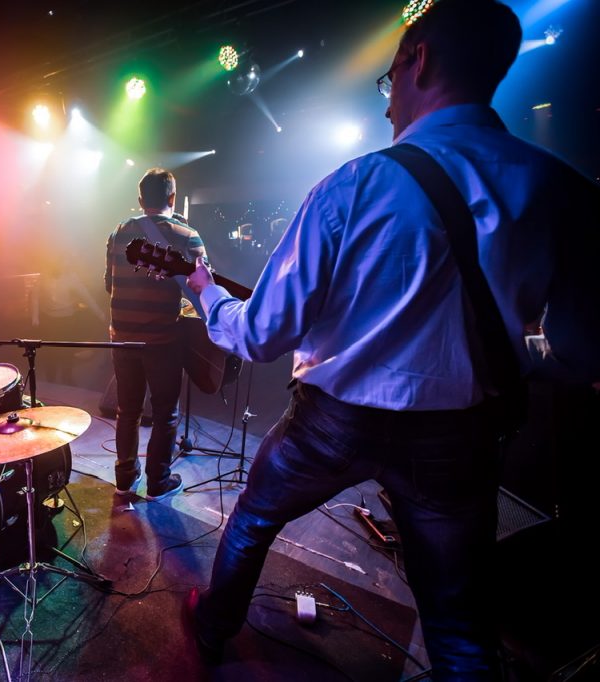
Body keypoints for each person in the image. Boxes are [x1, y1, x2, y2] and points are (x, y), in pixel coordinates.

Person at [183, 0, 600, 677]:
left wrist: (205, 294)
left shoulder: (354, 184)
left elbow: (261, 334)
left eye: (388, 80)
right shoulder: (564, 191)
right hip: (459, 438)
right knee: (459, 627)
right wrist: (496, 353)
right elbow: (581, 353)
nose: (385, 108)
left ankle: (210, 627)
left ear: (419, 58)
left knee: (254, 520)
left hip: (333, 423)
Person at [105, 168, 207, 501]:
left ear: (140, 200)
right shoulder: (187, 235)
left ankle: (124, 478)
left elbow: (109, 283)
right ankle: (158, 482)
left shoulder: (118, 232)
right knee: (165, 413)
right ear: (172, 198)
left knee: (127, 411)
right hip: (163, 340)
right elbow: (205, 290)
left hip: (122, 337)